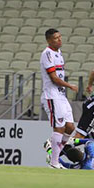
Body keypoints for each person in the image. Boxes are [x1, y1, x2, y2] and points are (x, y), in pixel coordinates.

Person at [40, 28, 78, 169]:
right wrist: (70, 85)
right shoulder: (47, 54)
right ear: (49, 40)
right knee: (60, 127)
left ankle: (52, 147)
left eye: (60, 37)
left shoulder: (59, 53)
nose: (60, 39)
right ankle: (54, 162)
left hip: (61, 95)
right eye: (56, 38)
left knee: (70, 127)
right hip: (52, 95)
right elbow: (54, 78)